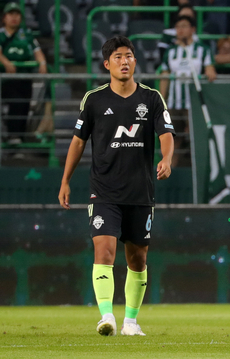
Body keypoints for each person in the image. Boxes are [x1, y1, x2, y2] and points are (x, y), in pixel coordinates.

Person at [58, 36, 175, 336]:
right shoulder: (94, 99)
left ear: (136, 61)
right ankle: (107, 316)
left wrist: (167, 158)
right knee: (105, 251)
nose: (124, 61)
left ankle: (131, 322)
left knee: (138, 259)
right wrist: (66, 180)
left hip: (140, 191)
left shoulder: (151, 99)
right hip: (104, 191)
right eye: (118, 57)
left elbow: (166, 135)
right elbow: (78, 142)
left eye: (129, 56)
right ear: (106, 63)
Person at [160, 16, 216, 167]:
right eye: (178, 27)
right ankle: (170, 172)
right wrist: (162, 100)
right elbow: (165, 76)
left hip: (194, 102)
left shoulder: (202, 49)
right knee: (173, 139)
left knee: (194, 138)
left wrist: (210, 72)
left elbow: (210, 69)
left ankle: (195, 172)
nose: (181, 30)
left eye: (184, 26)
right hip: (174, 102)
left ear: (193, 30)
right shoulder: (170, 51)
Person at [0, 2, 47, 144]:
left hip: (25, 78)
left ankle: (19, 137)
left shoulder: (26, 34)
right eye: (11, 14)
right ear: (4, 18)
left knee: (25, 106)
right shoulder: (1, 35)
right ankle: (13, 136)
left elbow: (37, 51)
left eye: (17, 14)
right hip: (6, 80)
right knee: (16, 104)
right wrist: (6, 62)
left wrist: (42, 63)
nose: (14, 17)